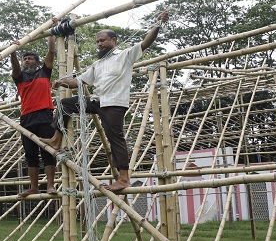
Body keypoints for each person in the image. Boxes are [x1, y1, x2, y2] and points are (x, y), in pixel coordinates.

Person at [41, 11, 169, 192]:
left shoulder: (125, 56)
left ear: (113, 40)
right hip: (96, 101)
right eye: (98, 41)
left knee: (115, 138)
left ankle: (124, 178)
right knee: (65, 104)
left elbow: (146, 43)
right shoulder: (98, 64)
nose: (100, 44)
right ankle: (56, 139)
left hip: (114, 104)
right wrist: (62, 81)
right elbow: (80, 82)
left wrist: (157, 24)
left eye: (103, 40)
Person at [11, 34, 58, 197]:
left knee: (48, 151)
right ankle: (34, 187)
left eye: (30, 58)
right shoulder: (20, 77)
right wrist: (12, 51)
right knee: (30, 154)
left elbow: (51, 51)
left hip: (44, 115)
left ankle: (50, 185)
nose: (27, 61)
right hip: (27, 118)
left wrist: (52, 33)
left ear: (37, 62)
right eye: (25, 59)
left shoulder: (44, 72)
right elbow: (15, 67)